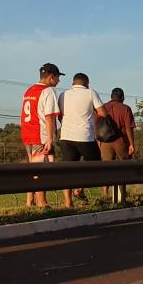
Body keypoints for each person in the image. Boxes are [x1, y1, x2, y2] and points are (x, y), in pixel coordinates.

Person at [57, 72, 107, 208]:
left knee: (67, 171)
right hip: (85, 136)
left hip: (66, 137)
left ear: (72, 83)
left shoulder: (63, 95)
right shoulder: (91, 93)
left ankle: (68, 202)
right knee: (95, 166)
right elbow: (103, 113)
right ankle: (79, 189)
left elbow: (59, 116)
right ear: (87, 84)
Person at [21, 63, 63, 208]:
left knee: (32, 169)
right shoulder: (48, 91)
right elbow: (50, 117)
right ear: (51, 77)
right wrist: (50, 140)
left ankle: (29, 200)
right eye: (58, 77)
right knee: (41, 170)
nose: (59, 81)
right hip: (40, 135)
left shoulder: (29, 90)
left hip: (27, 134)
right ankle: (42, 202)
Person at [100, 87, 136, 201]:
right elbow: (128, 128)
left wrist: (99, 142)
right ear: (122, 97)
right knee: (122, 168)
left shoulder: (102, 107)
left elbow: (96, 125)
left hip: (105, 141)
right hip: (120, 141)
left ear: (111, 97)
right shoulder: (125, 108)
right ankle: (122, 195)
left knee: (106, 168)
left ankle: (105, 194)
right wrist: (131, 144)